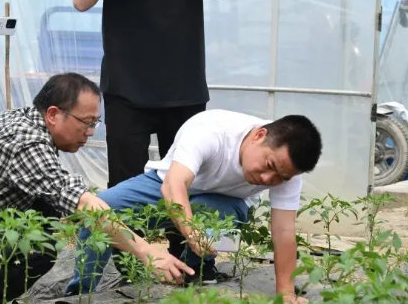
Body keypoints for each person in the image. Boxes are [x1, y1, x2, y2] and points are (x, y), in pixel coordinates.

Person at [72, 0, 241, 265]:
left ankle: (191, 260)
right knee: (126, 181)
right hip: (126, 88)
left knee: (189, 179)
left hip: (183, 88)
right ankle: (131, 262)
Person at [0, 73, 194, 304]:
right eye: (86, 122)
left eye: (95, 123)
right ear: (53, 114)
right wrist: (147, 252)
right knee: (38, 248)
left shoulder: (21, 118)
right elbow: (83, 204)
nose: (90, 132)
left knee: (44, 212)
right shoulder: (26, 142)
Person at [65, 110, 322, 304]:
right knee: (100, 210)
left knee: (216, 212)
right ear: (259, 135)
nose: (267, 179)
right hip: (164, 184)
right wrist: (192, 233)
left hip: (222, 204)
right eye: (269, 165)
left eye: (280, 177)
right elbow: (173, 186)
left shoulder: (287, 170)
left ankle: (192, 273)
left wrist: (286, 293)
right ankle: (81, 293)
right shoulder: (212, 129)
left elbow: (284, 231)